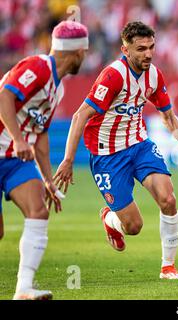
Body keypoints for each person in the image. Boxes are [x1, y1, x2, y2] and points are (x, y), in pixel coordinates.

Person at [54, 21, 178, 280]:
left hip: (139, 145)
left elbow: (168, 116)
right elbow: (80, 115)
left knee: (168, 199)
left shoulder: (155, 75)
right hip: (108, 156)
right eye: (141, 49)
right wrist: (68, 160)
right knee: (134, 226)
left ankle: (168, 267)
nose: (148, 53)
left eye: (151, 47)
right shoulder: (113, 76)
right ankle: (111, 219)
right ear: (125, 50)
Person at [0, 20, 89, 300]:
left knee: (38, 211)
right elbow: (3, 96)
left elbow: (40, 135)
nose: (85, 57)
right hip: (10, 147)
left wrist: (48, 180)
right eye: (84, 51)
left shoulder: (57, 88)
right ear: (76, 53)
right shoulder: (38, 67)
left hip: (14, 160)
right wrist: (17, 137)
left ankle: (24, 289)